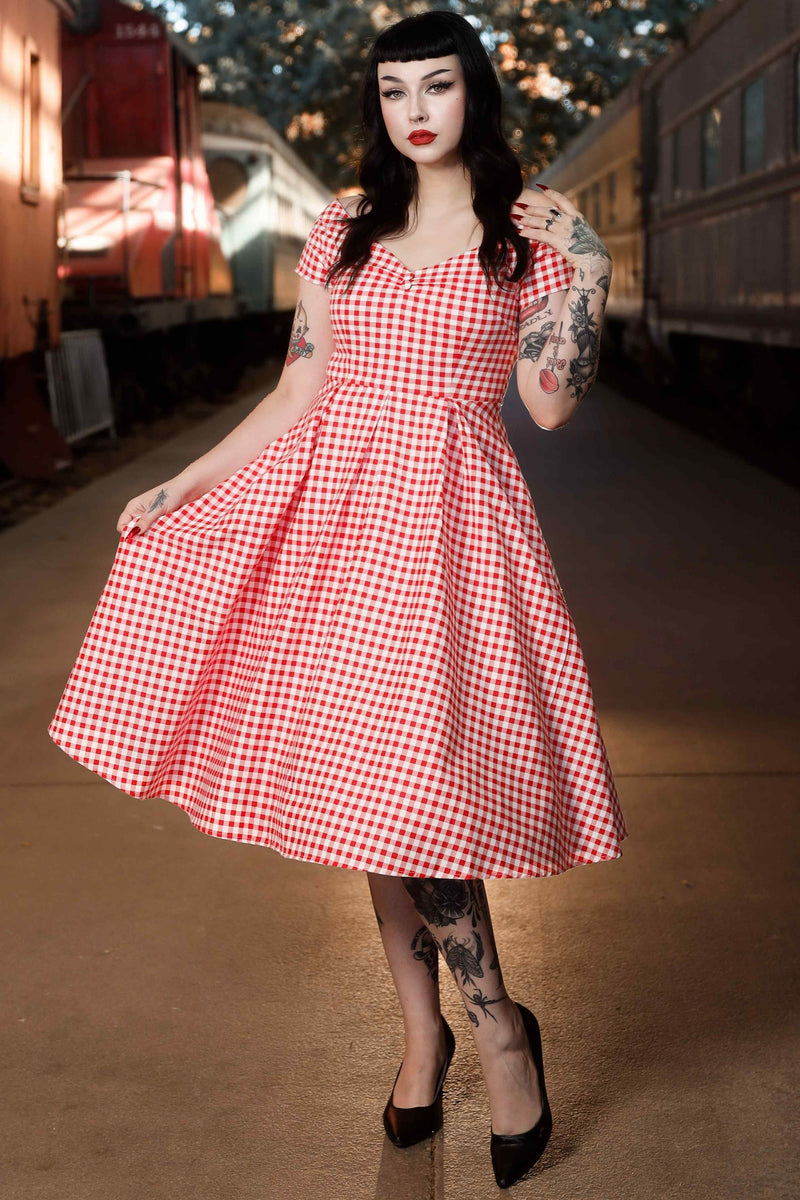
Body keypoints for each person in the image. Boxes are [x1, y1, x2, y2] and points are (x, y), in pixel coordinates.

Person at [47, 9, 628, 1190]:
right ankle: (426, 1036)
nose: (415, 110)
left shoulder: (525, 234)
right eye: (394, 89)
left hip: (453, 532)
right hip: (337, 525)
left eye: (439, 86)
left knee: (413, 793)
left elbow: (553, 405)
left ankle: (501, 1031)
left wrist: (592, 267)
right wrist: (180, 481)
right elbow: (296, 392)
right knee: (373, 790)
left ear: (476, 96)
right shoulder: (342, 227)